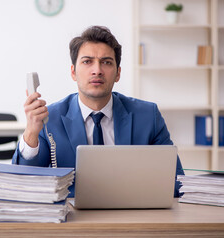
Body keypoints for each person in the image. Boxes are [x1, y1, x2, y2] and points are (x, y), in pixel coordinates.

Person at [12, 25, 184, 198]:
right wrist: (31, 134)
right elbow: (24, 183)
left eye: (106, 62)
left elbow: (176, 181)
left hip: (132, 215)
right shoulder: (49, 118)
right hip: (73, 218)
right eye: (87, 61)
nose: (97, 70)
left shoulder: (148, 116)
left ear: (118, 73)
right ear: (73, 72)